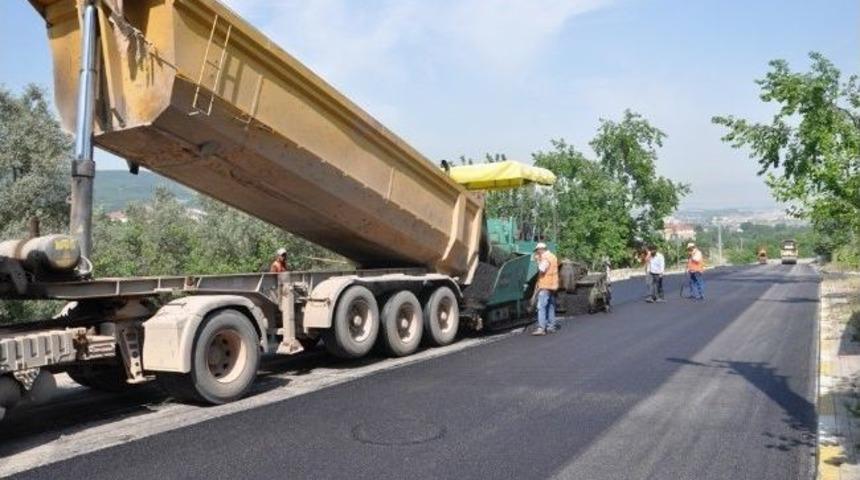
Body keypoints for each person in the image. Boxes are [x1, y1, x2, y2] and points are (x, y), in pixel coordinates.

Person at [531, 242, 560, 336]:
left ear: (541, 249)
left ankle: (541, 328)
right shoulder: (553, 256)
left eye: (537, 251)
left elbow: (542, 269)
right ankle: (551, 326)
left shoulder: (545, 258)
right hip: (552, 286)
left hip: (545, 286)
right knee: (550, 306)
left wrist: (537, 261)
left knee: (541, 307)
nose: (537, 253)